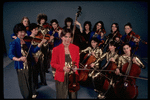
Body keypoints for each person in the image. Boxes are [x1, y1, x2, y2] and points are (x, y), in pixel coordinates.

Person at [8, 23, 46, 99]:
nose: (23, 33)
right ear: (16, 32)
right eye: (21, 32)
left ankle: (32, 93)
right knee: (24, 83)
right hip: (22, 66)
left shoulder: (27, 41)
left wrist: (41, 43)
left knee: (32, 80)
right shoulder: (14, 43)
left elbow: (34, 50)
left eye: (24, 32)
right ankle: (27, 96)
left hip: (30, 64)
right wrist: (19, 59)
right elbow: (10, 55)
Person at [50, 29, 80, 99]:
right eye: (65, 36)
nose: (68, 39)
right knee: (61, 96)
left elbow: (77, 60)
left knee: (73, 96)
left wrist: (76, 66)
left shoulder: (76, 48)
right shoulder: (56, 49)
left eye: (69, 37)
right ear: (62, 37)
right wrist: (63, 68)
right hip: (61, 75)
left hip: (72, 77)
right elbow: (53, 63)